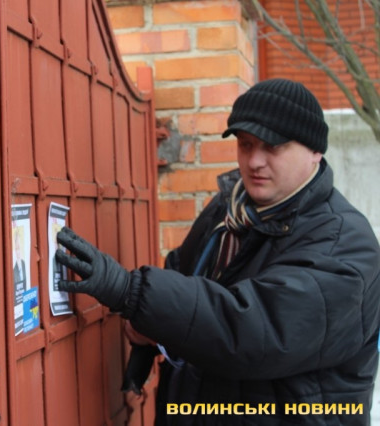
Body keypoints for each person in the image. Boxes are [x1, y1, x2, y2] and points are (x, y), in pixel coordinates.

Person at [55, 79, 380, 425]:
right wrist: (153, 330)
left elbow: (253, 331)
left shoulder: (345, 246)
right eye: (245, 144)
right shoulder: (229, 209)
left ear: (315, 151)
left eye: (272, 147)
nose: (254, 161)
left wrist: (130, 292)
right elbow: (183, 274)